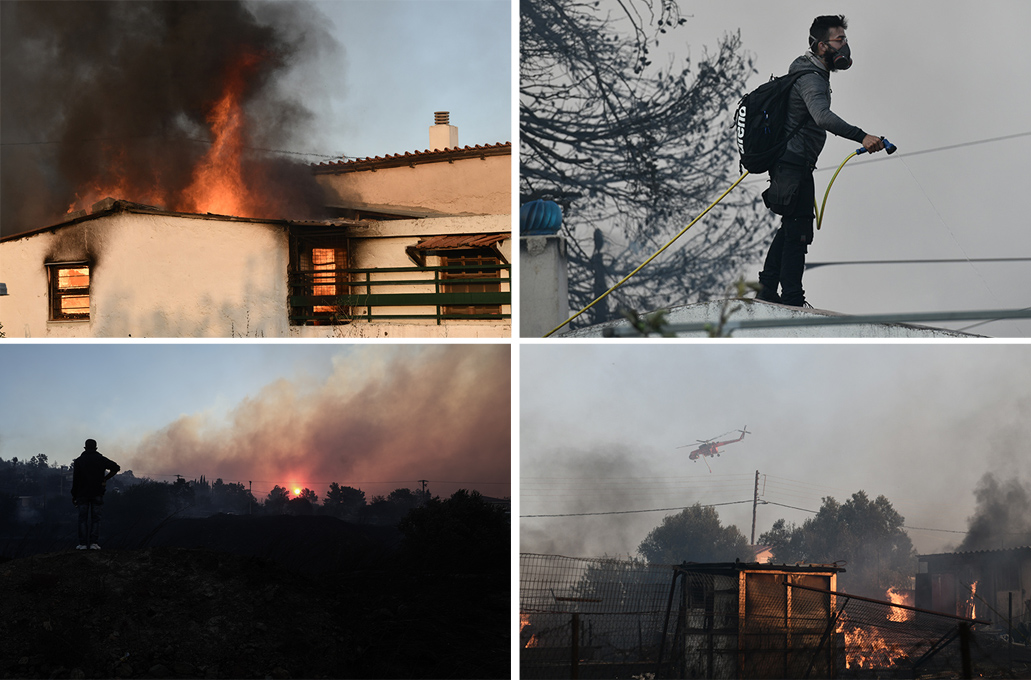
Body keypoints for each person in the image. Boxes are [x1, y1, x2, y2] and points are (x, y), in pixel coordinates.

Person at [757, 15, 885, 307]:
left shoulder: (805, 71)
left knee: (791, 227)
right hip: (793, 162)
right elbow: (822, 117)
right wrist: (862, 136)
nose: (845, 46)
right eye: (839, 40)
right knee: (799, 232)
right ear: (819, 45)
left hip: (791, 161)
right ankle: (791, 300)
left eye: (845, 39)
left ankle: (766, 290)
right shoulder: (811, 78)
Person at [70, 438, 120, 550]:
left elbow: (76, 480)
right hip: (97, 493)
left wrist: (74, 495)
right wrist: (105, 479)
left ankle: (82, 544)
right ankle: (94, 543)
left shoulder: (79, 461)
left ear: (85, 447)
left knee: (82, 518)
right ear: (96, 447)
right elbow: (116, 468)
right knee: (95, 518)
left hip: (82, 494)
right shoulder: (100, 459)